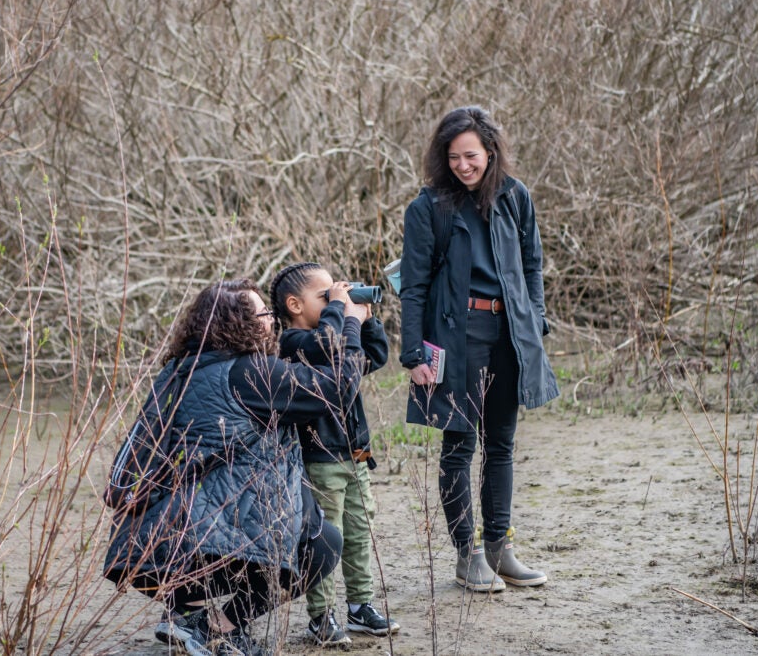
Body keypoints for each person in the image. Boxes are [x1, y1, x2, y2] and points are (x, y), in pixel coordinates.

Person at [103, 278, 367, 656]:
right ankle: (218, 629)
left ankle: (186, 615)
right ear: (238, 324)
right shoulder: (250, 373)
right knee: (322, 545)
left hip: (147, 550)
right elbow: (338, 389)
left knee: (219, 507)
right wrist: (349, 320)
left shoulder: (178, 371)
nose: (272, 321)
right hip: (200, 549)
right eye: (263, 314)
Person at [399, 106, 559, 592]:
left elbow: (532, 266)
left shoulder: (515, 196)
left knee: (501, 445)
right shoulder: (427, 208)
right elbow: (413, 287)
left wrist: (535, 320)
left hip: (509, 332)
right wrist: (413, 355)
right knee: (459, 445)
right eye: (453, 157)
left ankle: (498, 548)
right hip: (457, 336)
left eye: (471, 155)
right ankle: (466, 554)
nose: (463, 165)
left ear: (490, 151)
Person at [270, 262, 400, 647]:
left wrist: (367, 322)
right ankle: (321, 615)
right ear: (295, 305)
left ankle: (360, 605)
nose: (335, 302)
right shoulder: (292, 343)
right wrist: (345, 315)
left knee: (359, 533)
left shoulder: (337, 335)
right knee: (328, 537)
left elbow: (373, 356)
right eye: (326, 297)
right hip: (320, 457)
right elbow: (326, 343)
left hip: (355, 454)